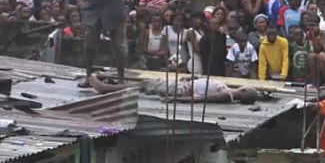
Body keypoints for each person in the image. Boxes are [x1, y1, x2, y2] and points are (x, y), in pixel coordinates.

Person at [87, 73, 258, 104]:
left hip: (182, 90)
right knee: (146, 85)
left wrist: (177, 99)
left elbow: (200, 100)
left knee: (144, 86)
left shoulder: (226, 95)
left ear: (243, 91)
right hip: (185, 85)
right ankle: (108, 84)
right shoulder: (227, 91)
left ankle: (106, 88)